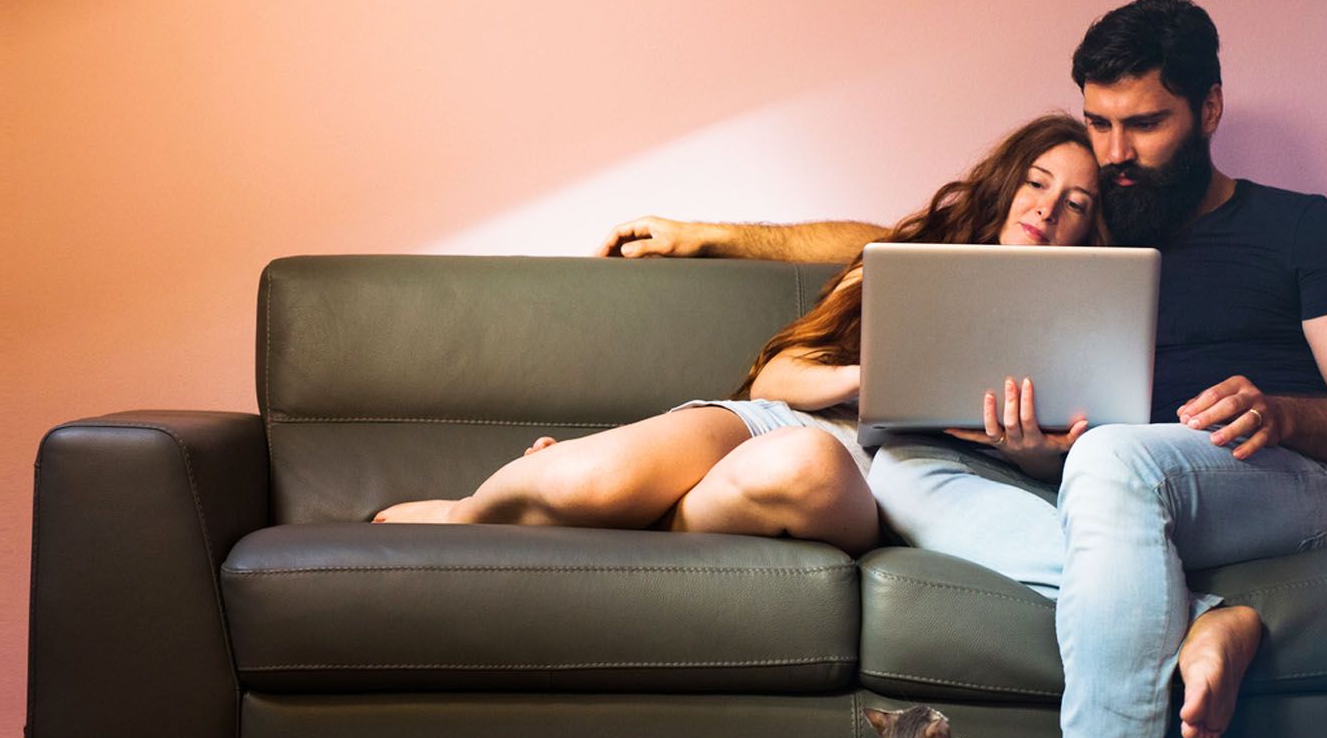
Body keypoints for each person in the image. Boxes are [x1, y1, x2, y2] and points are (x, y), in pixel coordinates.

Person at [601, 0, 1327, 738]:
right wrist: (722, 237)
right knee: (908, 459)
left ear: (1209, 111)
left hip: (1293, 479)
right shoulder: (1092, 218)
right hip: (1115, 483)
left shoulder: (1306, 228)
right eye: (1099, 122)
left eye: (1144, 123)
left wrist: (1280, 410)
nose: (1115, 151)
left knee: (1113, 460)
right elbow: (905, 238)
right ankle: (1208, 621)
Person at [374, 113, 1103, 555]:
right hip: (777, 420)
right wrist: (865, 380)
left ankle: (620, 511)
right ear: (1007, 180)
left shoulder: (1079, 327)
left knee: (806, 467)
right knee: (589, 479)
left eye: (1076, 202)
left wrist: (1030, 453)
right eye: (1037, 182)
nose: (1049, 209)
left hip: (866, 477)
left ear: (1090, 230)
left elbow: (1065, 467)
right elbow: (780, 377)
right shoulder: (909, 260)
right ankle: (463, 511)